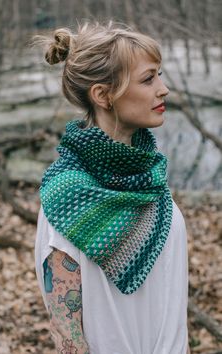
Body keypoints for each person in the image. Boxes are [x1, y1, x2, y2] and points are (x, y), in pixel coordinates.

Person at [35, 21, 190, 354]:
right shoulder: (66, 200)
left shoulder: (150, 179)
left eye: (159, 75)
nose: (163, 89)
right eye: (148, 79)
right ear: (103, 95)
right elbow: (69, 341)